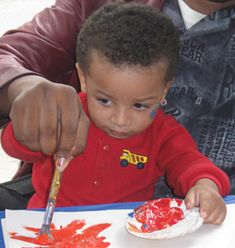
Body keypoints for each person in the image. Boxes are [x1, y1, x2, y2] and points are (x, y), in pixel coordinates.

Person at [1, 2, 230, 224]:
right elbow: (14, 144)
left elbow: (189, 163)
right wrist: (34, 126)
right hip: (46, 227)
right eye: (104, 100)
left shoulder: (164, 133)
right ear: (83, 78)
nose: (120, 120)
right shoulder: (67, 114)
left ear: (164, 90)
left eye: (139, 106)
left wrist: (204, 185)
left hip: (123, 233)